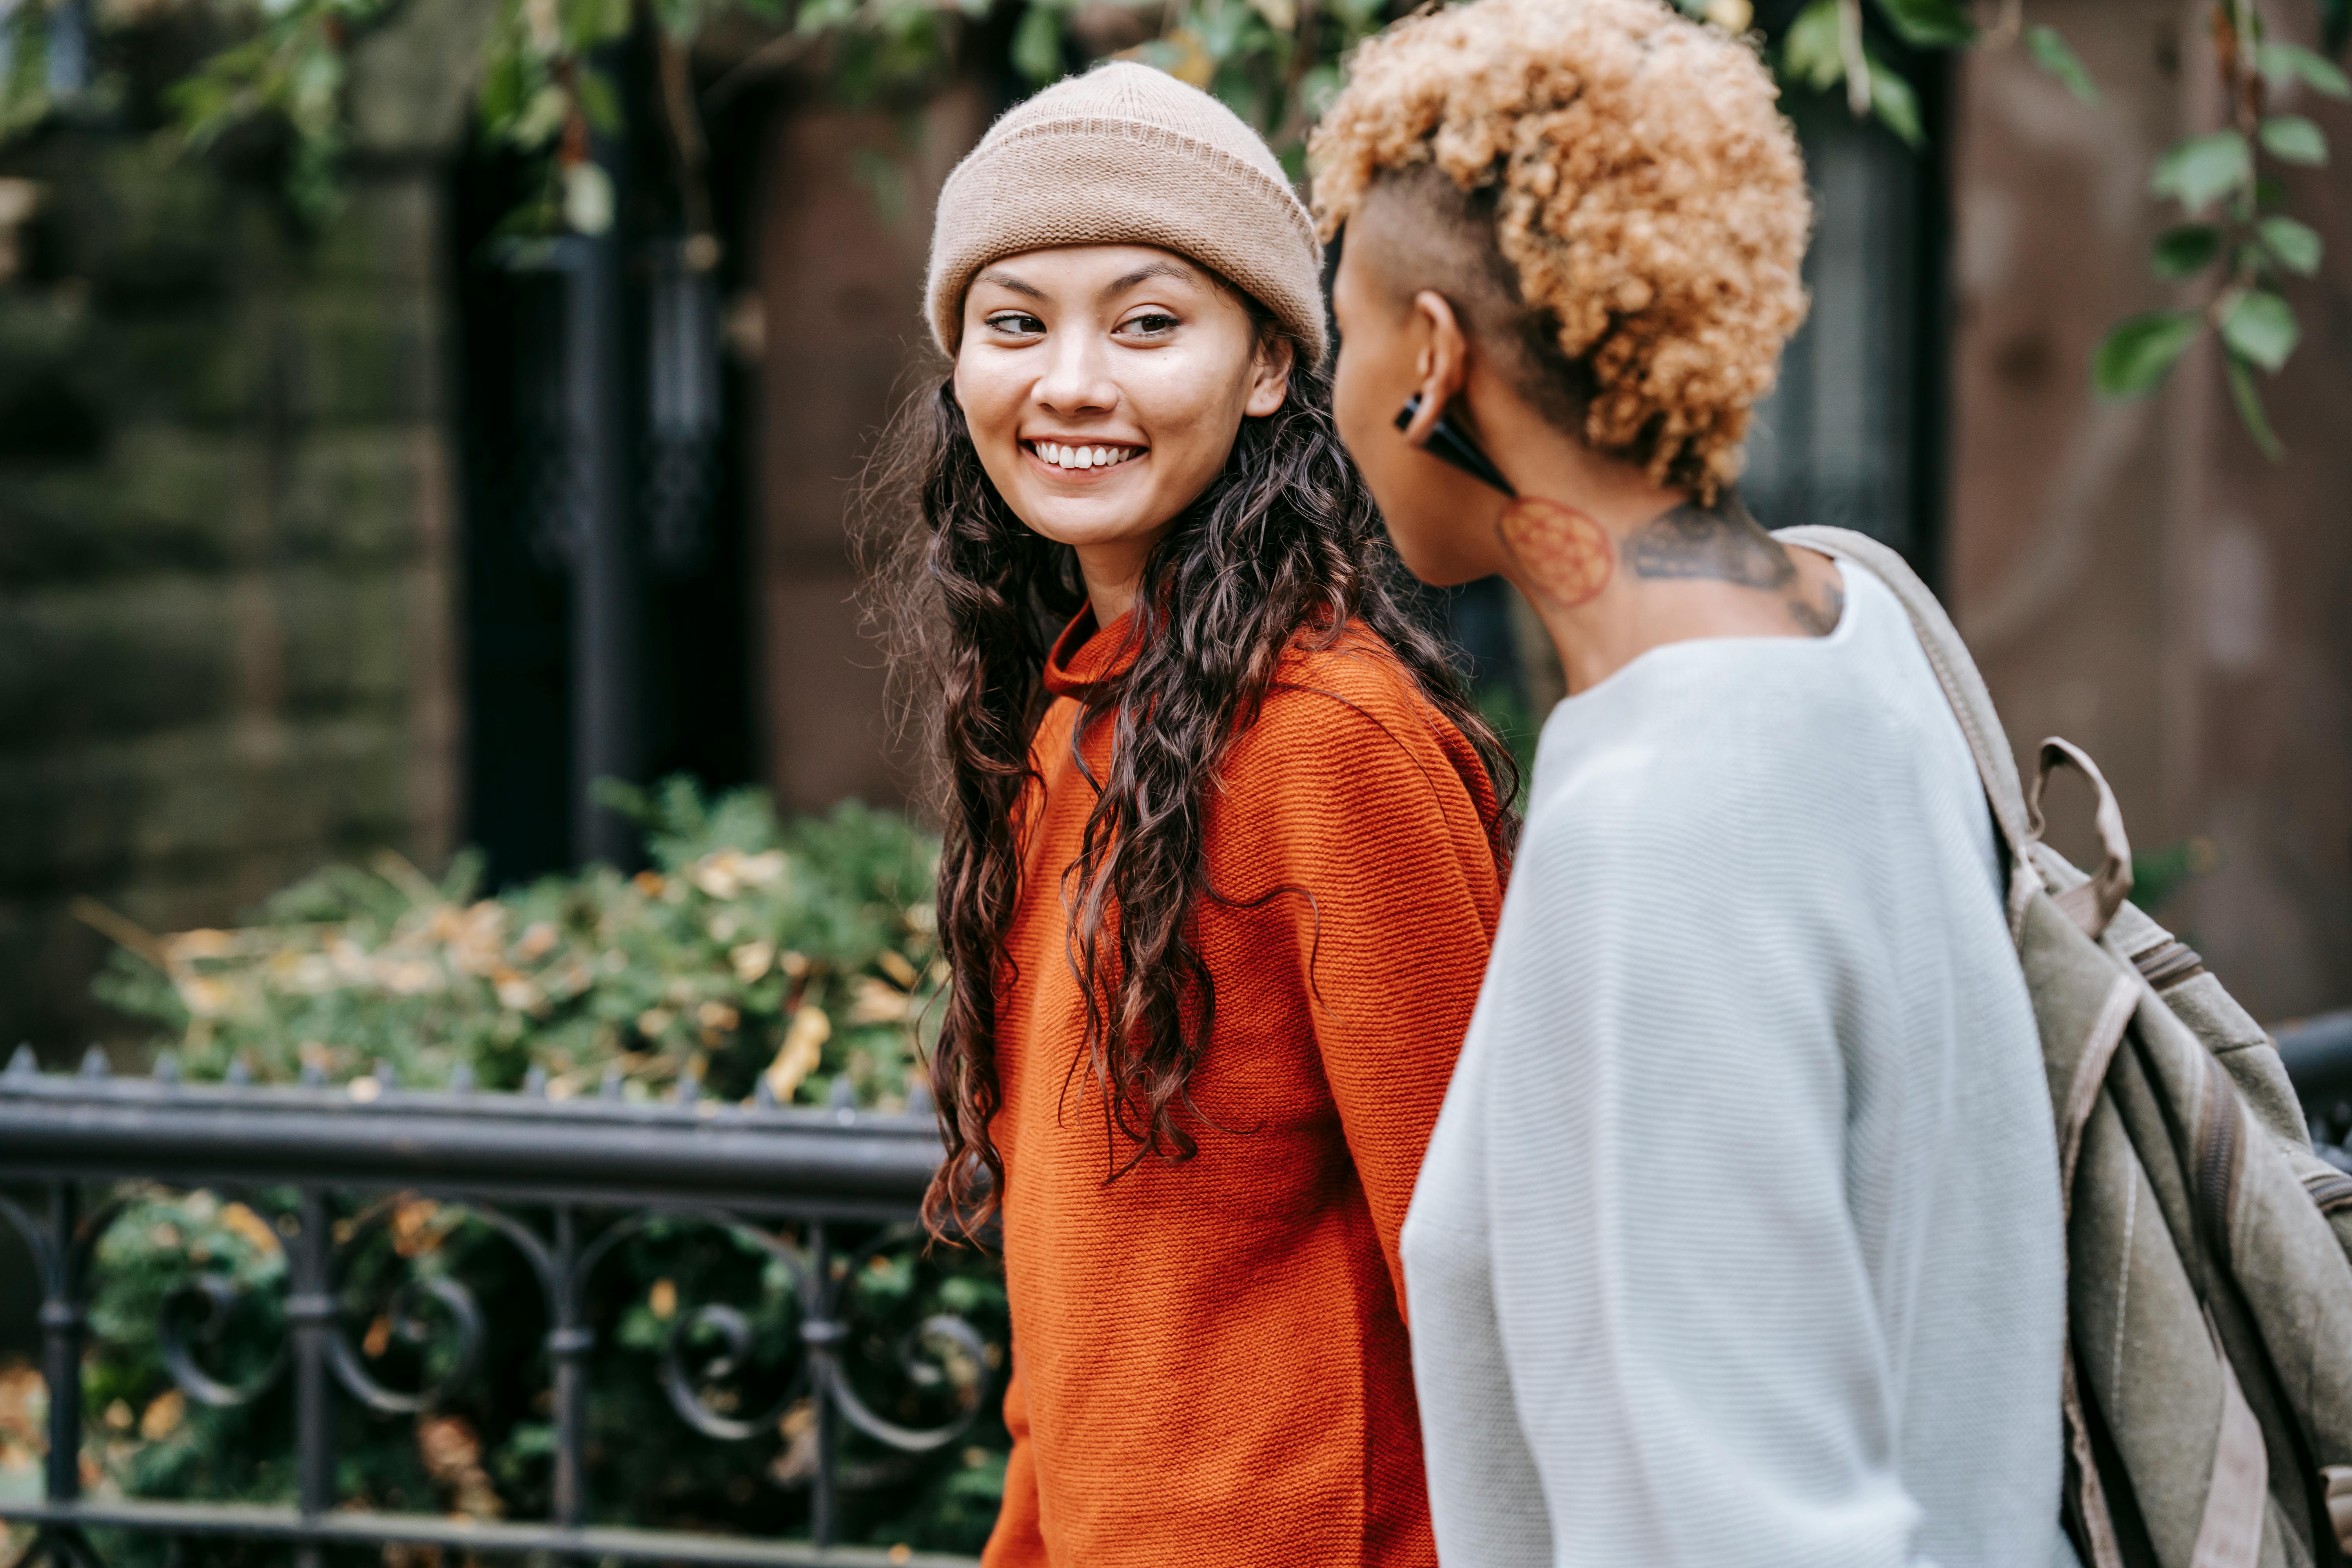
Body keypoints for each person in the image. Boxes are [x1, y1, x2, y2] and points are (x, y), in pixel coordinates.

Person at [1308, 2, 2072, 1565]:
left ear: (1432, 363)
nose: (1330, 398)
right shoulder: (1858, 633)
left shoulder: (1667, 822)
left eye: (1346, 332)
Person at [862, 61, 1516, 1568]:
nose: (1071, 381)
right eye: (1014, 322)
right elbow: (1093, 1297)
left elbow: (1484, 1278)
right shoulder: (1072, 713)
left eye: (1148, 322)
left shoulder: (1336, 742)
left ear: (1273, 365)